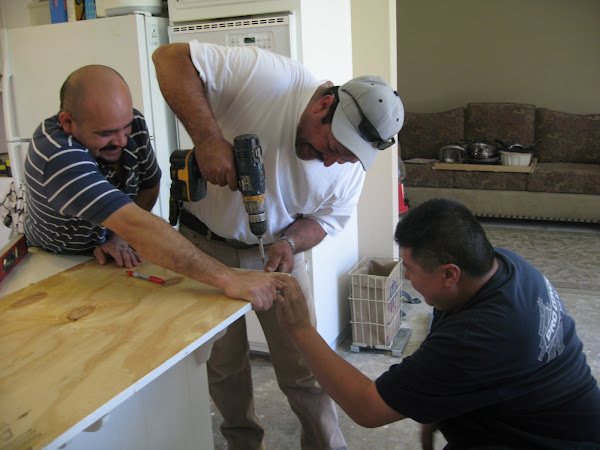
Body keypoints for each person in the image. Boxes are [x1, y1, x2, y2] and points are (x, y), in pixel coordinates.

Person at [152, 41, 404, 449]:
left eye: (344, 158)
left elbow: (325, 219)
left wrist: (290, 241)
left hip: (277, 258)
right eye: (332, 147)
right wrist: (208, 139)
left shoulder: (348, 166)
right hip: (203, 249)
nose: (330, 162)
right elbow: (169, 58)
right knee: (224, 367)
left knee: (306, 366)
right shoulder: (268, 77)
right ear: (323, 105)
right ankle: (243, 443)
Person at [274, 198, 600, 449]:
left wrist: (301, 329)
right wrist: (436, 406)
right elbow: (450, 357)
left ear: (449, 274)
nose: (406, 278)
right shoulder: (503, 266)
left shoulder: (481, 336)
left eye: (410, 269)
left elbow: (367, 408)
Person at [23, 64, 280, 308]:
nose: (123, 140)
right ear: (68, 122)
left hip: (109, 253)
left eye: (125, 128)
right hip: (58, 260)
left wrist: (118, 236)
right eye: (106, 134)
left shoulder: (131, 123)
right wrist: (230, 279)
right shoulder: (57, 156)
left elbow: (148, 185)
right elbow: (137, 225)